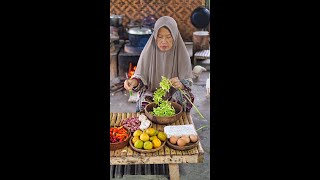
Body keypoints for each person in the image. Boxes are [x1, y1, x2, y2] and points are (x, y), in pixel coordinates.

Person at [124, 16, 194, 112]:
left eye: (169, 37)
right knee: (144, 102)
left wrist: (181, 85)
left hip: (173, 98)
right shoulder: (148, 51)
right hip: (152, 95)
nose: (164, 41)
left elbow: (188, 83)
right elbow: (140, 77)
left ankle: (177, 124)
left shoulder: (182, 53)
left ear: (175, 36)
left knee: (183, 97)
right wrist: (134, 82)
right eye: (160, 37)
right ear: (155, 37)